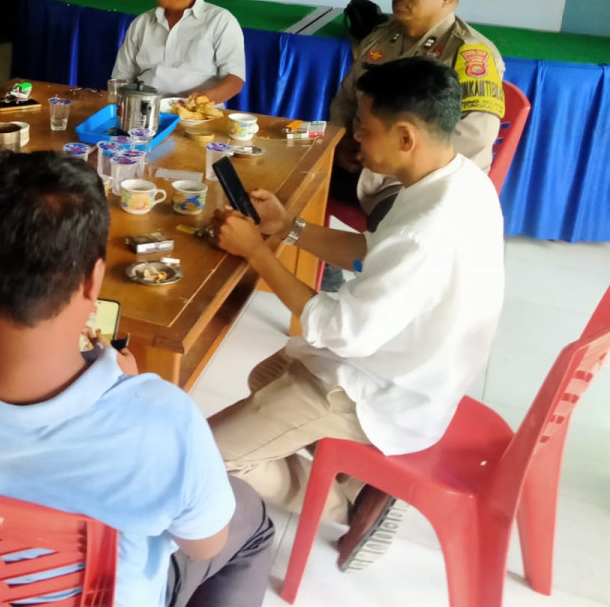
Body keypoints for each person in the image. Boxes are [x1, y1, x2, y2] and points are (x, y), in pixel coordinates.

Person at [0, 151, 274, 607]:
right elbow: (206, 545)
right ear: (92, 281)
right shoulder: (160, 421)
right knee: (249, 518)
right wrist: (127, 390)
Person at [209, 58, 505, 570]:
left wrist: (258, 254)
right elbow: (374, 249)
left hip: (385, 390)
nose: (356, 144)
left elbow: (340, 329)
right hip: (411, 364)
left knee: (210, 456)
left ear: (406, 137)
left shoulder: (427, 229)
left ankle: (353, 504)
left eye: (365, 131)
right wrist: (290, 230)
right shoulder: (458, 180)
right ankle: (347, 472)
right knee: (266, 373)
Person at [329, 0, 505, 220]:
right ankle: (306, 259)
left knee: (396, 232)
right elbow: (348, 99)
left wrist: (387, 156)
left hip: (420, 183)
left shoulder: (468, 53)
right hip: (367, 163)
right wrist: (344, 142)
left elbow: (475, 135)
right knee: (296, 176)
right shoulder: (380, 38)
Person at [111, 0, 246, 102]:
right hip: (144, 116)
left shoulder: (220, 21)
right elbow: (120, 79)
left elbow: (235, 80)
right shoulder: (142, 24)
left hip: (198, 119)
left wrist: (198, 103)